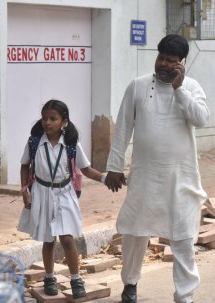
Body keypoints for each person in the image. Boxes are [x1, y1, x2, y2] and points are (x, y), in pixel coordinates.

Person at [105, 34, 209, 303]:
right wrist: (115, 166)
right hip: (145, 176)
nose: (163, 64)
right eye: (160, 57)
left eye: (170, 61)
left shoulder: (193, 87)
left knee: (184, 237)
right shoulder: (138, 86)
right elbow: (123, 127)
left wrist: (179, 88)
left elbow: (200, 119)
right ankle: (130, 284)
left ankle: (185, 296)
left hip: (181, 178)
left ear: (181, 64)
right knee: (134, 232)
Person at [18, 100, 106, 299]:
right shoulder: (34, 142)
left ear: (63, 122)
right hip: (42, 193)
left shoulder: (71, 144)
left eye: (53, 118)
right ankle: (49, 277)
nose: (47, 122)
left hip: (64, 193)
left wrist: (104, 178)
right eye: (44, 118)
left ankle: (76, 278)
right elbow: (24, 165)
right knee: (48, 239)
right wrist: (25, 190)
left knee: (67, 238)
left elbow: (85, 169)